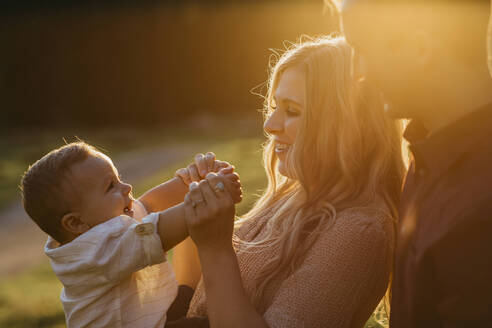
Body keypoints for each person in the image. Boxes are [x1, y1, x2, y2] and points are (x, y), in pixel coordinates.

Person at [171, 36, 405, 328]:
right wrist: (194, 208)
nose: (270, 126)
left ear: (345, 124)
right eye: (274, 107)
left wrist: (216, 249)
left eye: (292, 111)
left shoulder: (359, 230)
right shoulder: (292, 195)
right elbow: (198, 299)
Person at [335, 0, 492, 326]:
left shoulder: (480, 207)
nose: (357, 73)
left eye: (361, 49)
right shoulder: (426, 155)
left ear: (421, 48)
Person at [20, 141, 241, 328]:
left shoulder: (96, 225)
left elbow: (149, 205)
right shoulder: (95, 253)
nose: (126, 187)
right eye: (110, 186)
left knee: (190, 297)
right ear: (75, 222)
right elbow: (160, 229)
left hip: (155, 313)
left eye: (119, 177)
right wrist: (208, 193)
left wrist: (189, 181)